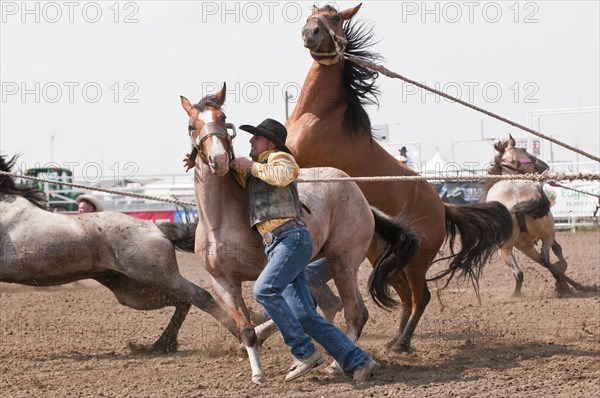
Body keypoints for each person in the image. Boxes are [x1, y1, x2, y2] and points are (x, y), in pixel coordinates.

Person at [229, 118, 380, 383]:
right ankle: (360, 361)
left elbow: (284, 176)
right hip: (279, 244)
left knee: (264, 289)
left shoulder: (280, 159)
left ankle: (304, 352)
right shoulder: (256, 170)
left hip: (291, 238)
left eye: (256, 137)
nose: (251, 141)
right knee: (304, 314)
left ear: (270, 143)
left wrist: (251, 166)